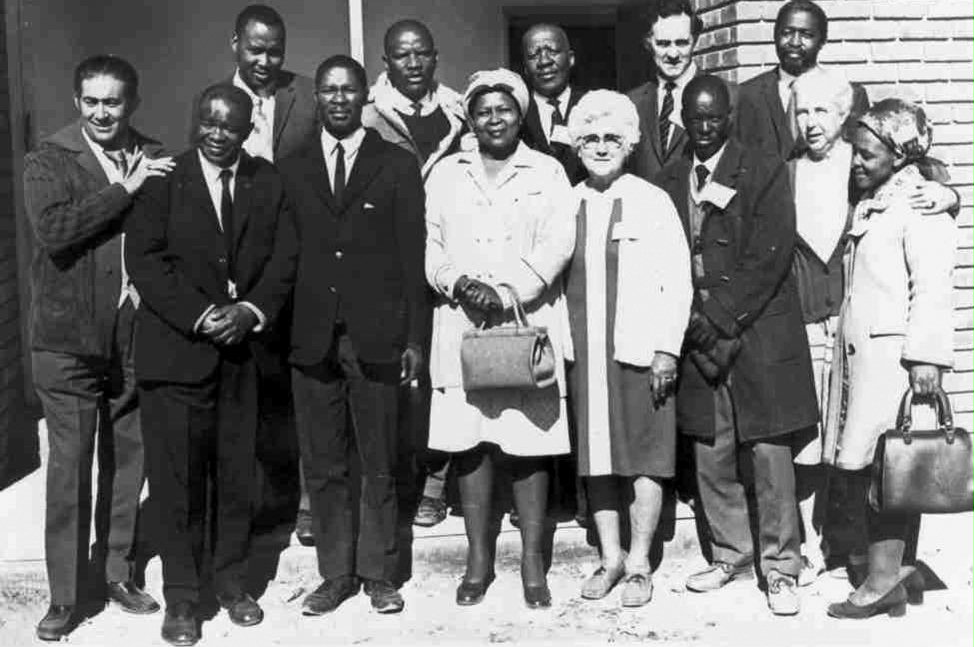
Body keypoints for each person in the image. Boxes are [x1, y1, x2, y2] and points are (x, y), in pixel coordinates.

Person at [126, 84, 298, 646]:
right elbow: (145, 262)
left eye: (230, 126)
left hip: (241, 357)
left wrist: (250, 311)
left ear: (248, 130)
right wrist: (202, 315)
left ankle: (230, 582)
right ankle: (182, 597)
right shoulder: (163, 179)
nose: (217, 134)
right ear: (195, 121)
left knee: (234, 476)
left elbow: (284, 257)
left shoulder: (267, 180)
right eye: (209, 122)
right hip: (177, 355)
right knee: (178, 483)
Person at [655, 75, 819, 616]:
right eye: (694, 118)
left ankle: (781, 567)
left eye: (714, 118)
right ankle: (731, 552)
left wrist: (720, 315)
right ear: (683, 117)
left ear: (728, 117)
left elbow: (770, 254)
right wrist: (689, 320)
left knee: (769, 452)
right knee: (711, 447)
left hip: (755, 329)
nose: (704, 128)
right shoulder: (671, 174)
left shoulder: (762, 166)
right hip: (696, 331)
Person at [23, 54, 174, 641]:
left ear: (130, 103)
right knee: (69, 468)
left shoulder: (155, 156)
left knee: (128, 460)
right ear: (77, 102)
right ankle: (66, 595)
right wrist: (122, 189)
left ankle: (117, 571)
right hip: (66, 341)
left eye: (113, 101)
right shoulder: (50, 159)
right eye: (92, 101)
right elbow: (56, 230)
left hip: (132, 336)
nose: (102, 112)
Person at [278, 55, 429, 616]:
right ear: (316, 97)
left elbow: (412, 256)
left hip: (378, 336)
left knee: (379, 457)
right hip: (311, 335)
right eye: (328, 90)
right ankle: (336, 573)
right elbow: (282, 257)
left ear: (366, 96)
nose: (339, 99)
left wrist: (415, 336)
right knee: (323, 461)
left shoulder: (395, 163)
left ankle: (380, 572)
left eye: (349, 90)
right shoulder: (291, 167)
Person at [424, 68, 575, 609]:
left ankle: (533, 561)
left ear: (520, 114)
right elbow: (430, 244)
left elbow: (560, 243)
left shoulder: (549, 171)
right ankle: (478, 560)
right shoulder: (446, 174)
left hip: (523, 321)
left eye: (505, 109)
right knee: (471, 442)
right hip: (462, 321)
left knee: (528, 442)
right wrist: (457, 282)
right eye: (483, 110)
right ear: (469, 116)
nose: (495, 119)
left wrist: (510, 290)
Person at [823, 99, 956, 619]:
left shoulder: (920, 205)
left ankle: (881, 582)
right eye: (855, 153)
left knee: (892, 467)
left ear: (900, 156)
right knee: (886, 464)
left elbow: (932, 288)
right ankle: (901, 572)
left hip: (896, 363)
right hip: (867, 358)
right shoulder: (876, 200)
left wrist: (926, 358)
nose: (857, 163)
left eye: (869, 155)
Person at [563, 90, 691, 608]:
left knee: (645, 453)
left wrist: (667, 349)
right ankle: (610, 557)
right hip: (584, 353)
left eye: (611, 137)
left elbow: (678, 280)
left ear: (630, 143)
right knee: (597, 457)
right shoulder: (565, 201)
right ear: (576, 145)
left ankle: (640, 563)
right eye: (589, 137)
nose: (599, 146)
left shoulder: (651, 199)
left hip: (640, 352)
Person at [207, 2, 316, 546]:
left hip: (298, 261)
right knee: (244, 393)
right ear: (235, 45)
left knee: (298, 389)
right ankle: (249, 504)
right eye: (255, 49)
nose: (266, 60)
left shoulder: (306, 95)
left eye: (275, 50)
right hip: (237, 269)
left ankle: (304, 502)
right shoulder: (216, 106)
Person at [363, 18, 467, 529]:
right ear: (386, 62)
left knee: (442, 374)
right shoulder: (367, 117)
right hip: (388, 265)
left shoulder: (458, 113)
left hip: (446, 261)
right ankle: (392, 480)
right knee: (393, 374)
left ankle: (435, 482)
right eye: (401, 55)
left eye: (421, 54)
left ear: (434, 58)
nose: (412, 64)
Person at [735, 0, 868, 164]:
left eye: (806, 35)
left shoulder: (852, 95)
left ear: (822, 41)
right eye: (786, 33)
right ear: (775, 36)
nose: (795, 42)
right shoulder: (746, 95)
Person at [627, 0, 705, 182]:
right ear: (648, 43)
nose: (673, 54)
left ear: (695, 41)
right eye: (663, 44)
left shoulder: (729, 96)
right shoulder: (631, 102)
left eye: (682, 43)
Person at [519, 23, 588, 184]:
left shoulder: (594, 106)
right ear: (525, 69)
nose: (544, 61)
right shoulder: (516, 113)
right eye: (533, 55)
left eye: (553, 51)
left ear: (571, 59)